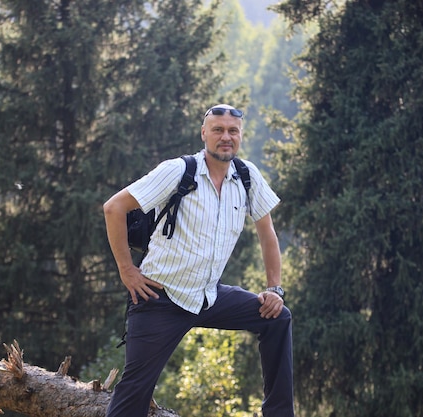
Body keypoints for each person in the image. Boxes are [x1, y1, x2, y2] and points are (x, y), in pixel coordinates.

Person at [103, 104, 294, 417]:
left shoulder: (247, 177)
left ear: (241, 136)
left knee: (278, 317)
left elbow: (268, 233)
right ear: (204, 133)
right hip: (159, 298)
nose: (226, 137)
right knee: (131, 398)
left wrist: (274, 288)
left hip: (209, 295)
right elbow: (114, 208)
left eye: (233, 131)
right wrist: (127, 270)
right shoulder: (178, 171)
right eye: (218, 130)